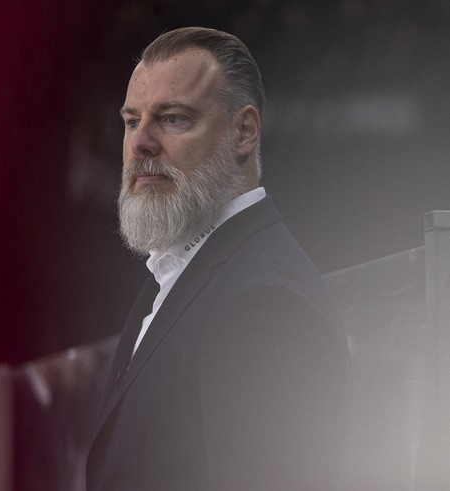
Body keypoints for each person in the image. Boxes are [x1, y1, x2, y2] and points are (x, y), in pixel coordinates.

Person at [85, 27, 349, 490]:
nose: (141, 143)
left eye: (173, 119)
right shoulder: (181, 271)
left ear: (244, 131)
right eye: (131, 121)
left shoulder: (264, 304)